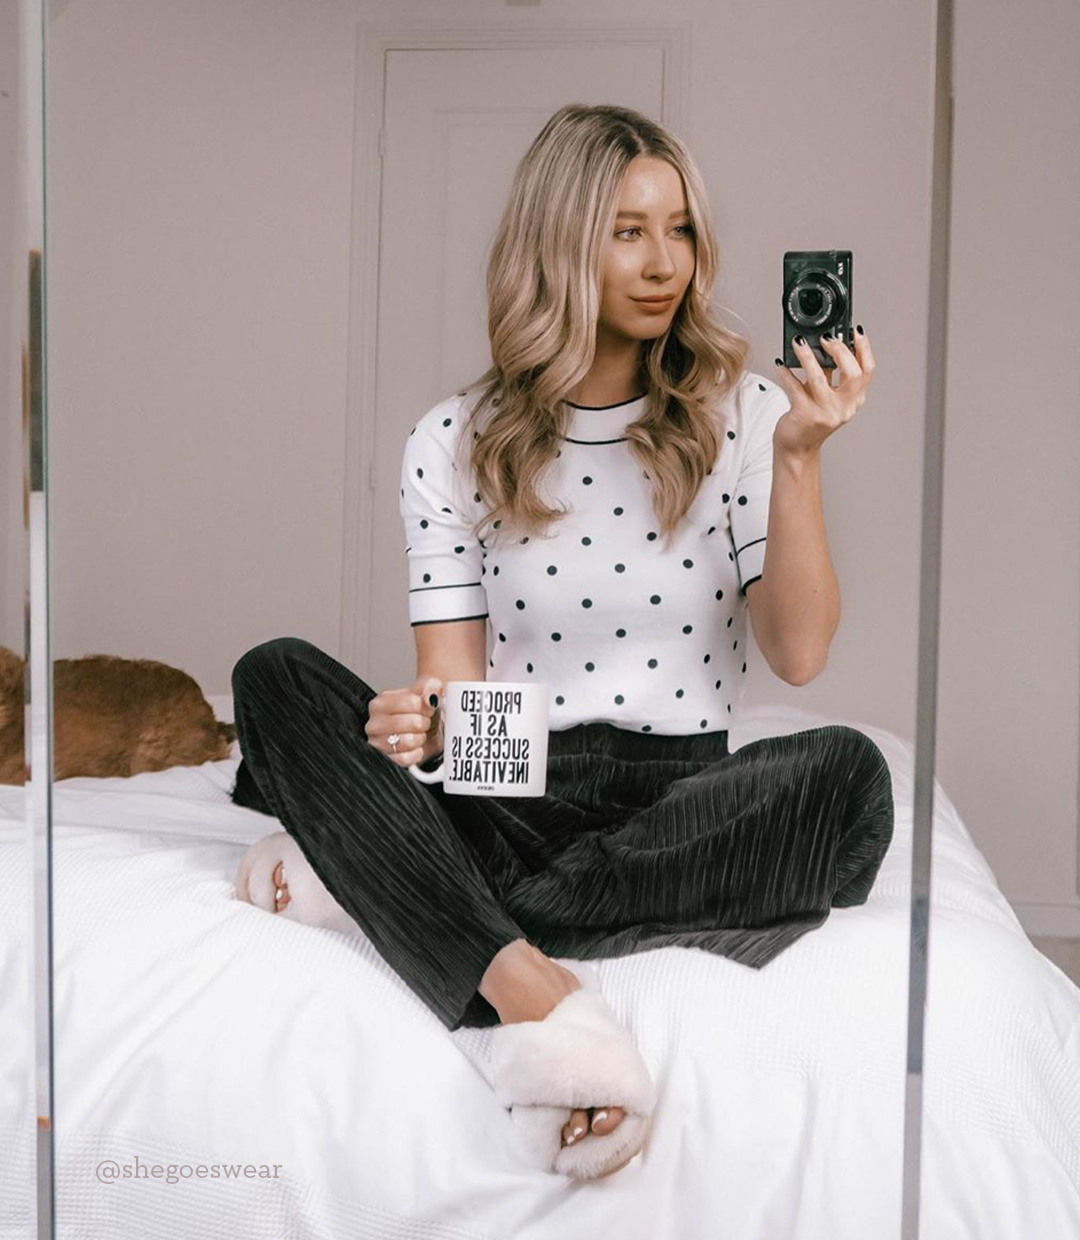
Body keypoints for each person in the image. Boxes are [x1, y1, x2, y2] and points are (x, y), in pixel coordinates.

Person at [229, 103, 892, 1175]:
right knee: (276, 680)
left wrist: (803, 456)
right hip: (507, 776)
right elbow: (453, 700)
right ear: (559, 240)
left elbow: (800, 654)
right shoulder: (453, 441)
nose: (664, 261)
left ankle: (385, 879)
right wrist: (418, 728)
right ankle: (532, 987)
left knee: (849, 780)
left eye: (679, 230)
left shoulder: (748, 412)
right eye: (627, 230)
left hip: (675, 798)